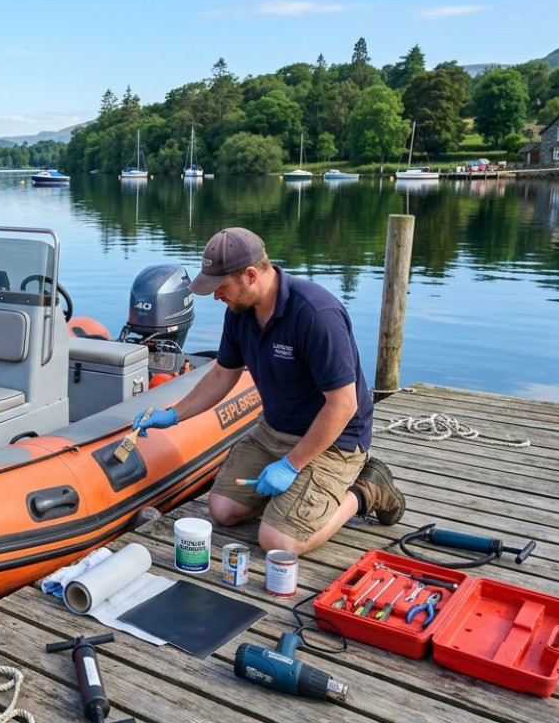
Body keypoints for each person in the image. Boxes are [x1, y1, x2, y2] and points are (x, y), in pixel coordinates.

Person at [132, 227, 404, 556]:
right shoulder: (239, 313)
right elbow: (222, 374)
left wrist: (291, 465)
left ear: (250, 275)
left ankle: (365, 490)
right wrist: (173, 414)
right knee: (222, 510)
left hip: (334, 441)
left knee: (277, 542)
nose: (216, 296)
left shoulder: (316, 314)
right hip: (275, 430)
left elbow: (343, 405)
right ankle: (293, 501)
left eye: (221, 287)